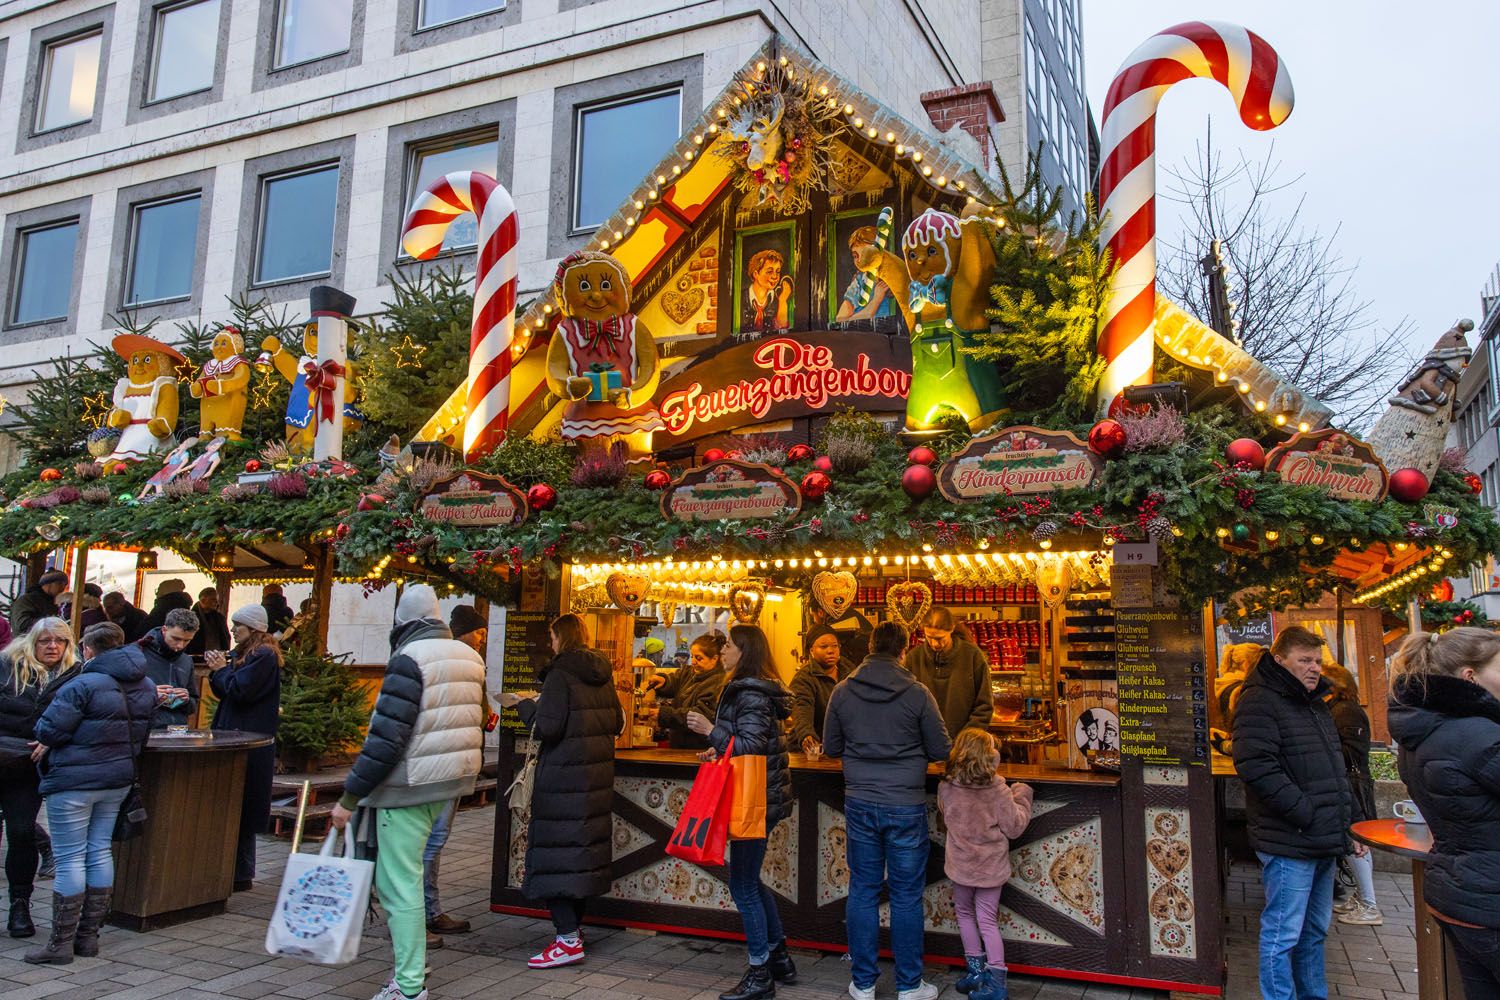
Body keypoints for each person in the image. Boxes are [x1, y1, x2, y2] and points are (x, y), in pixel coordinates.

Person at [330, 585, 486, 1000]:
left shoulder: (408, 659)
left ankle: (410, 984)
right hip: (452, 779)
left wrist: (349, 796)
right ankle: (413, 964)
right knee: (413, 871)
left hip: (409, 783)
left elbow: (385, 739)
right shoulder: (469, 657)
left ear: (402, 622)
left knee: (398, 883)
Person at [823, 620, 951, 1000]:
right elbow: (942, 750)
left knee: (862, 889)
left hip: (860, 801)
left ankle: (863, 983)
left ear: (870, 647)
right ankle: (909, 984)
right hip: (905, 802)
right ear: (904, 649)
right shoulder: (917, 693)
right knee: (906, 895)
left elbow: (831, 747)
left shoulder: (843, 691)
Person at [1232, 626, 1353, 1000]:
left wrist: (1344, 824)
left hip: (1321, 835)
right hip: (1290, 837)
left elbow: (1333, 768)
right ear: (1279, 659)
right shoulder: (1259, 700)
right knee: (1283, 933)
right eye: (1305, 660)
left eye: (1317, 660)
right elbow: (1255, 765)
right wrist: (1304, 812)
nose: (1314, 668)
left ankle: (1312, 996)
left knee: (1314, 931)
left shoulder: (1314, 702)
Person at [25, 622, 154, 965]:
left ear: (89, 649)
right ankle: (87, 939)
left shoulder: (82, 684)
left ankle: (59, 945)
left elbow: (48, 728)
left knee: (69, 859)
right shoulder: (147, 684)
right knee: (98, 851)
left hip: (74, 782)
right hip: (118, 780)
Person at [500, 613, 623, 971]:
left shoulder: (560, 674)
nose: (550, 643)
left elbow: (548, 728)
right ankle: (572, 933)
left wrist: (524, 704)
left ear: (561, 638)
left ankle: (567, 939)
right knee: (578, 856)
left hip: (562, 781)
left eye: (552, 637)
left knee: (554, 856)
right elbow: (616, 722)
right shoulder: (601, 673)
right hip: (593, 778)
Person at [684, 623, 794, 1000]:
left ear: (744, 652)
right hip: (762, 795)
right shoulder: (754, 689)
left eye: (729, 645)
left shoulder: (751, 693)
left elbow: (750, 743)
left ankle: (761, 974)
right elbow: (745, 745)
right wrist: (718, 749)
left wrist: (710, 730)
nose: (724, 649)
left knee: (743, 884)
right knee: (749, 879)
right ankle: (778, 957)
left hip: (755, 800)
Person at [1388, 627, 1500, 996]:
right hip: (1489, 898)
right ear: (1471, 676)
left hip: (1458, 891)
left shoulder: (1424, 732)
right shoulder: (1479, 736)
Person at [938, 728, 1033, 1000]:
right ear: (990, 757)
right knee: (987, 921)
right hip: (990, 867)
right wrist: (1022, 796)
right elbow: (1014, 827)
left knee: (964, 915)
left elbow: (947, 816)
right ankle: (996, 982)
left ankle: (975, 972)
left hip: (960, 865)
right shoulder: (999, 790)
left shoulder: (946, 786)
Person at [0, 619, 77, 938]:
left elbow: (81, 718)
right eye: (45, 640)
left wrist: (52, 738)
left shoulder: (75, 675)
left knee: (20, 833)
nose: (52, 646)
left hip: (28, 770)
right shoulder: (6, 665)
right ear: (32, 641)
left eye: (59, 640)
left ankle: (20, 904)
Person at [419, 604, 490, 941]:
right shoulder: (459, 662)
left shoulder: (438, 659)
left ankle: (426, 910)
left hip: (444, 760)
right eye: (478, 632)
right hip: (442, 763)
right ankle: (421, 913)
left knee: (432, 839)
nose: (482, 639)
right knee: (431, 840)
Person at [207, 605, 282, 890]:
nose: (233, 629)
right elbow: (228, 689)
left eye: (238, 625)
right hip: (238, 736)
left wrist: (220, 671)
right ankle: (235, 871)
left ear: (254, 629)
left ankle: (240, 873)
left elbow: (239, 690)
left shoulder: (262, 656)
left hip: (248, 741)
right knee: (237, 807)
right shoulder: (248, 654)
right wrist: (221, 672)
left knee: (242, 806)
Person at [1321, 661, 1381, 926]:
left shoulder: (1345, 711)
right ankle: (1362, 898)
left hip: (1351, 782)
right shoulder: (1337, 708)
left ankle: (1369, 903)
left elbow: (1353, 751)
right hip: (1348, 780)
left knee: (1356, 842)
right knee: (1352, 842)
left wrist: (1323, 753)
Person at [905, 607, 994, 739]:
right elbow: (905, 706)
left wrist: (965, 739)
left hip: (964, 746)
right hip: (922, 745)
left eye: (940, 638)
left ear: (951, 629)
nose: (935, 644)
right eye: (929, 637)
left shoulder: (972, 656)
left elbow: (984, 705)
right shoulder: (913, 659)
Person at [647, 632, 727, 750]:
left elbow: (699, 715)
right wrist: (664, 681)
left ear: (714, 659)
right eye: (693, 656)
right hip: (679, 745)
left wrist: (664, 715)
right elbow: (675, 681)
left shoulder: (718, 684)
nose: (693, 661)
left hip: (698, 749)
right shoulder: (690, 672)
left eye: (699, 658)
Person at [789, 625, 851, 753]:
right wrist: (806, 734)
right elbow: (801, 707)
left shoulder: (850, 671)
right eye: (823, 647)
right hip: (811, 749)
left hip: (842, 747)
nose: (830, 650)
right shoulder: (804, 678)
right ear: (811, 650)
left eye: (835, 646)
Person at [138, 608, 198, 729]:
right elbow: (120, 698)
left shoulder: (187, 660)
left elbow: (194, 704)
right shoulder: (138, 654)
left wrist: (186, 700)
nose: (180, 645)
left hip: (178, 731)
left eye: (187, 640)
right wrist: (151, 695)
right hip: (145, 731)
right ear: (164, 630)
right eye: (176, 638)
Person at [10, 570, 67, 635]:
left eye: (65, 585)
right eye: (59, 583)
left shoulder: (53, 603)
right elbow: (22, 624)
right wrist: (53, 622)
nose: (63, 588)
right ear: (48, 584)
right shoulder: (27, 600)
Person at [186, 587, 230, 657]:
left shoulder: (219, 618)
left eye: (216, 600)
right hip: (196, 657)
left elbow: (225, 637)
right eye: (213, 600)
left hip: (217, 657)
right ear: (203, 600)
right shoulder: (189, 617)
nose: (216, 603)